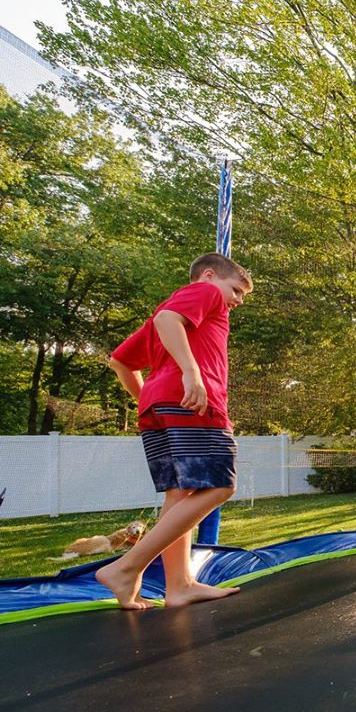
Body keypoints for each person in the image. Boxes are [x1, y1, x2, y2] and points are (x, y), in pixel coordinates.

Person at [96, 253, 253, 609]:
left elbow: (120, 361)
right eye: (236, 290)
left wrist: (151, 396)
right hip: (195, 403)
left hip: (161, 407)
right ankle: (127, 568)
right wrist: (191, 374)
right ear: (210, 276)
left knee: (180, 495)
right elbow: (169, 319)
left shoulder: (166, 315)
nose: (238, 301)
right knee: (220, 487)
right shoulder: (204, 294)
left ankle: (179, 585)